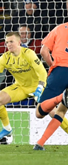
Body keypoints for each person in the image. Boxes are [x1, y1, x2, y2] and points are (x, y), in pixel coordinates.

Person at [32, 22, 68, 150]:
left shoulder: (59, 28)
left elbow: (43, 51)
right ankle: (40, 143)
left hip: (60, 70)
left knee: (39, 112)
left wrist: (52, 65)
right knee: (62, 110)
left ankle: (60, 98)